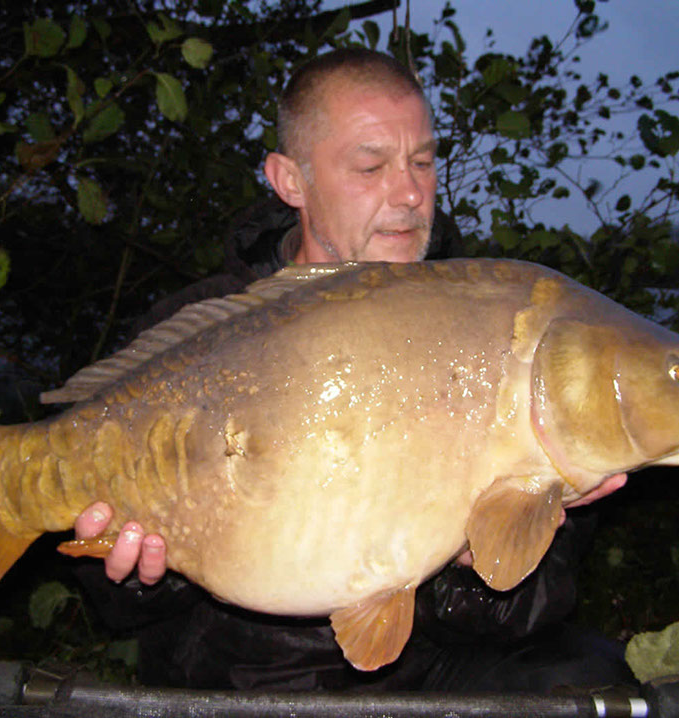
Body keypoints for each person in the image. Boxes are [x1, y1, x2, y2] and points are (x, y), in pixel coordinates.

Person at [69, 48, 630, 691]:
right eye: (371, 165)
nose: (412, 192)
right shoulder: (197, 330)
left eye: (423, 161)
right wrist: (144, 574)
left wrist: (474, 564)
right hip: (237, 674)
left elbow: (521, 617)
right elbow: (111, 605)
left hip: (421, 665)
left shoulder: (503, 333)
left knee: (592, 674)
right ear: (291, 181)